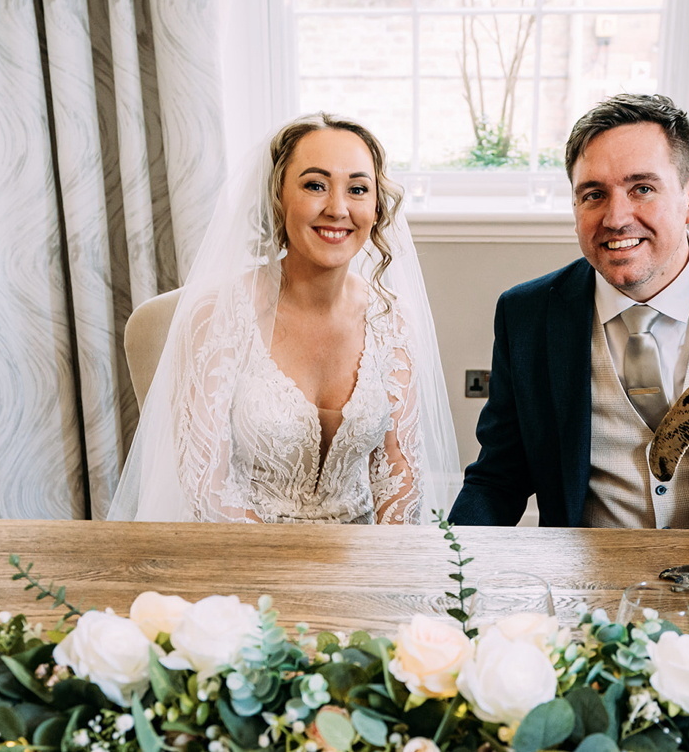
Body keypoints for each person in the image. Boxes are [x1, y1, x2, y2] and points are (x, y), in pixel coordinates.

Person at [109, 113, 459, 524]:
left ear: (378, 207)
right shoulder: (217, 317)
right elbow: (206, 485)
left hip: (362, 560)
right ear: (279, 197)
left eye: (358, 189)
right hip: (244, 558)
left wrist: (379, 572)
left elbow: (400, 476)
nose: (338, 208)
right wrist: (280, 580)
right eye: (315, 185)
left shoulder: (392, 320)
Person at [448, 94, 689, 528]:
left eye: (642, 189)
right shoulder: (526, 315)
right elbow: (498, 478)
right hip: (584, 579)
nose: (616, 218)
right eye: (594, 194)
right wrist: (453, 577)